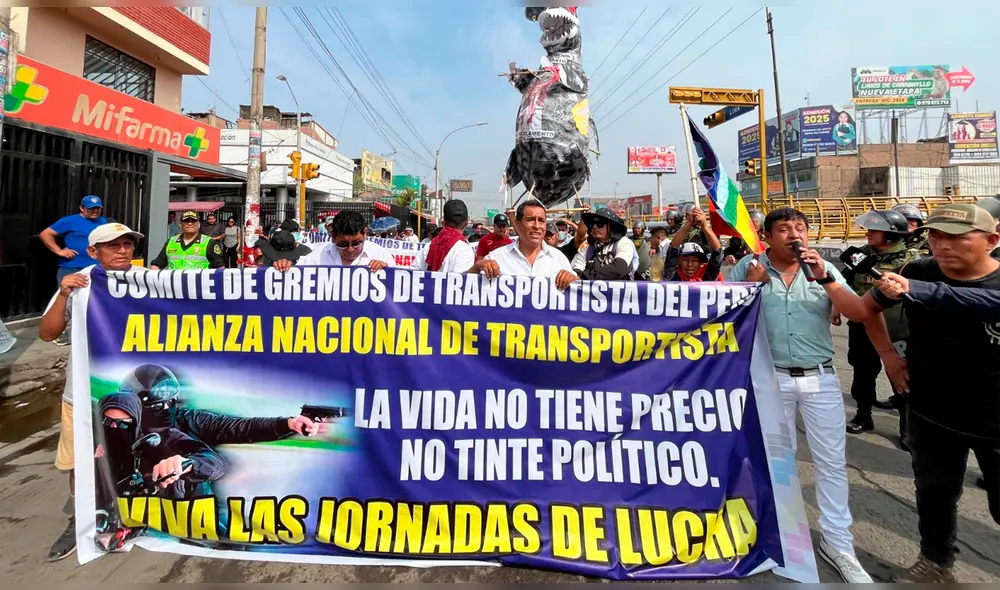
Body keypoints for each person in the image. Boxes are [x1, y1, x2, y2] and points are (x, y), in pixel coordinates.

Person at [826, 203, 1000, 583]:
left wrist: (915, 289)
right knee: (935, 493)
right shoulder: (916, 269)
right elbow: (863, 309)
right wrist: (888, 355)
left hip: (994, 415)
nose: (942, 245)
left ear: (992, 241)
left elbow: (968, 300)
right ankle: (935, 564)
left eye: (956, 236)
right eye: (936, 235)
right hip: (932, 408)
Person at [729, 207, 903, 584]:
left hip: (820, 380)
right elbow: (721, 314)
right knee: (780, 463)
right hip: (769, 380)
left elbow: (857, 311)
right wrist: (752, 287)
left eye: (801, 228)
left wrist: (826, 280)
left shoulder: (823, 269)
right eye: (784, 229)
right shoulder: (748, 268)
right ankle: (785, 541)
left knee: (831, 463)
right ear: (768, 236)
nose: (795, 235)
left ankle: (838, 543)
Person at [38, 222, 146, 561]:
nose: (122, 250)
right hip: (82, 395)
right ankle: (79, 521)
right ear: (93, 252)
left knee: (135, 457)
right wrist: (65, 294)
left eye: (127, 244)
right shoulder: (80, 285)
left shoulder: (151, 281)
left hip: (131, 399)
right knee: (79, 464)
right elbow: (46, 332)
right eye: (112, 245)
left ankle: (140, 516)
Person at [836, 210, 921, 438]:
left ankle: (907, 427)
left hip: (898, 329)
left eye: (874, 231)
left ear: (891, 235)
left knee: (902, 377)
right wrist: (836, 307)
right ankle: (863, 415)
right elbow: (842, 283)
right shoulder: (858, 256)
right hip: (862, 324)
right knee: (863, 372)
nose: (868, 234)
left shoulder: (914, 261)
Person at [39, 195, 108, 345]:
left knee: (91, 301)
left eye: (98, 208)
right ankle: (60, 333)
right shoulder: (69, 220)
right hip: (72, 268)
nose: (95, 211)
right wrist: (59, 251)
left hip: (95, 268)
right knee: (67, 300)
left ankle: (85, 333)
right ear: (82, 208)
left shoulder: (103, 222)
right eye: (91, 208)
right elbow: (45, 234)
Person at [470, 199, 578, 288]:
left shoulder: (558, 258)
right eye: (530, 220)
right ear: (518, 224)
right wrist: (477, 267)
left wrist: (573, 280)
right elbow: (459, 288)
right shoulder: (497, 257)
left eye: (541, 220)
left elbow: (581, 294)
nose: (536, 226)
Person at [275, 210, 393, 271]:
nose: (350, 249)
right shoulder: (316, 258)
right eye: (342, 244)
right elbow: (295, 277)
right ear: (332, 237)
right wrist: (285, 268)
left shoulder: (382, 256)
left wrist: (388, 273)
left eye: (357, 243)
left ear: (365, 234)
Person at [411, 200, 476, 274]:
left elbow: (413, 273)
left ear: (444, 221)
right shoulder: (464, 249)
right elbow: (459, 282)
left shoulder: (429, 245)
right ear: (467, 221)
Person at [572, 208, 637, 281]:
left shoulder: (623, 243)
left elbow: (619, 268)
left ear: (611, 227)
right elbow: (576, 272)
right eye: (592, 223)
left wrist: (584, 277)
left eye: (600, 223)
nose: (594, 227)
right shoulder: (587, 250)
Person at [662, 207, 724, 282]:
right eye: (685, 260)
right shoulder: (672, 275)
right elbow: (673, 248)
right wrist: (689, 223)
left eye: (694, 260)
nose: (689, 265)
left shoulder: (707, 277)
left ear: (700, 263)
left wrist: (704, 225)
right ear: (678, 262)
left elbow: (718, 252)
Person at [150, 211, 225, 270]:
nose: (189, 223)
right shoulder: (171, 241)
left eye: (193, 221)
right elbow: (157, 265)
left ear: (199, 225)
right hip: (174, 288)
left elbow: (220, 269)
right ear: (180, 225)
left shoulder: (209, 243)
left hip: (198, 288)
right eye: (186, 221)